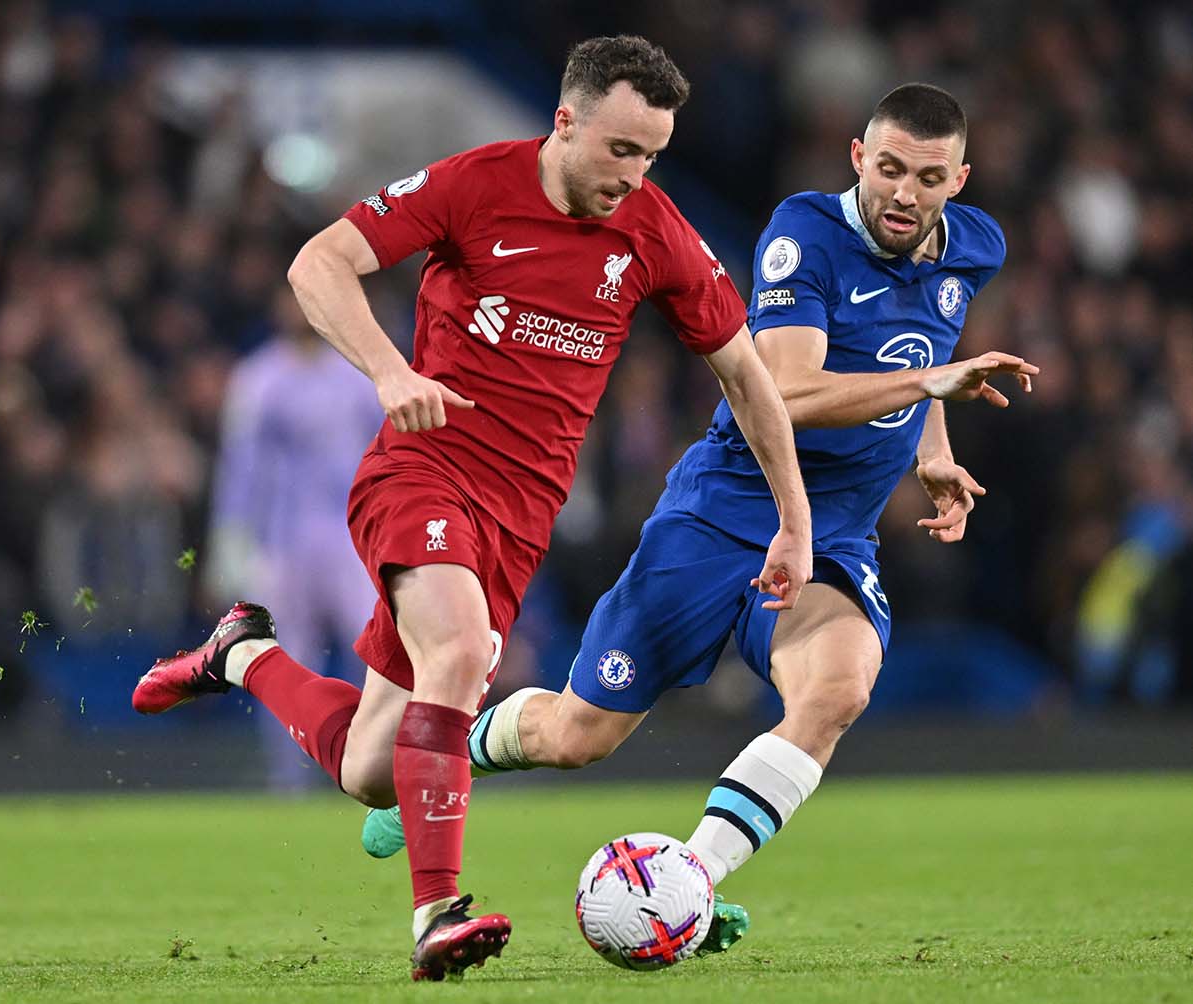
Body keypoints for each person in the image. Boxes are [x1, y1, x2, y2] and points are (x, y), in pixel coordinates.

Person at [131, 35, 812, 980]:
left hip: (514, 522)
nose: (635, 175)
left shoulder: (653, 231)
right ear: (564, 121)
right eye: (621, 149)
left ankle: (240, 651)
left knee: (372, 766)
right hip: (421, 474)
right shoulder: (473, 185)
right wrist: (388, 369)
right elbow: (318, 264)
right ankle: (435, 913)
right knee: (455, 657)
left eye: (652, 154)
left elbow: (746, 374)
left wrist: (795, 520)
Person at [360, 82, 1038, 952]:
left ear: (960, 179)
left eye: (930, 177)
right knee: (578, 736)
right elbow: (787, 392)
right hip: (723, 511)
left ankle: (687, 881)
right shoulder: (806, 236)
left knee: (835, 691)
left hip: (833, 532)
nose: (905, 194)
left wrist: (931, 448)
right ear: (859, 159)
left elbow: (933, 356)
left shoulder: (975, 247)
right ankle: (464, 753)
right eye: (892, 169)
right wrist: (924, 389)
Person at [205, 287, 384, 791]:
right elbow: (239, 470)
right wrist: (231, 547)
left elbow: (385, 453)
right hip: (281, 542)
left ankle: (367, 768)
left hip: (353, 540)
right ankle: (290, 780)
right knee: (284, 661)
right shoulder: (257, 379)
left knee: (374, 652)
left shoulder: (355, 374)